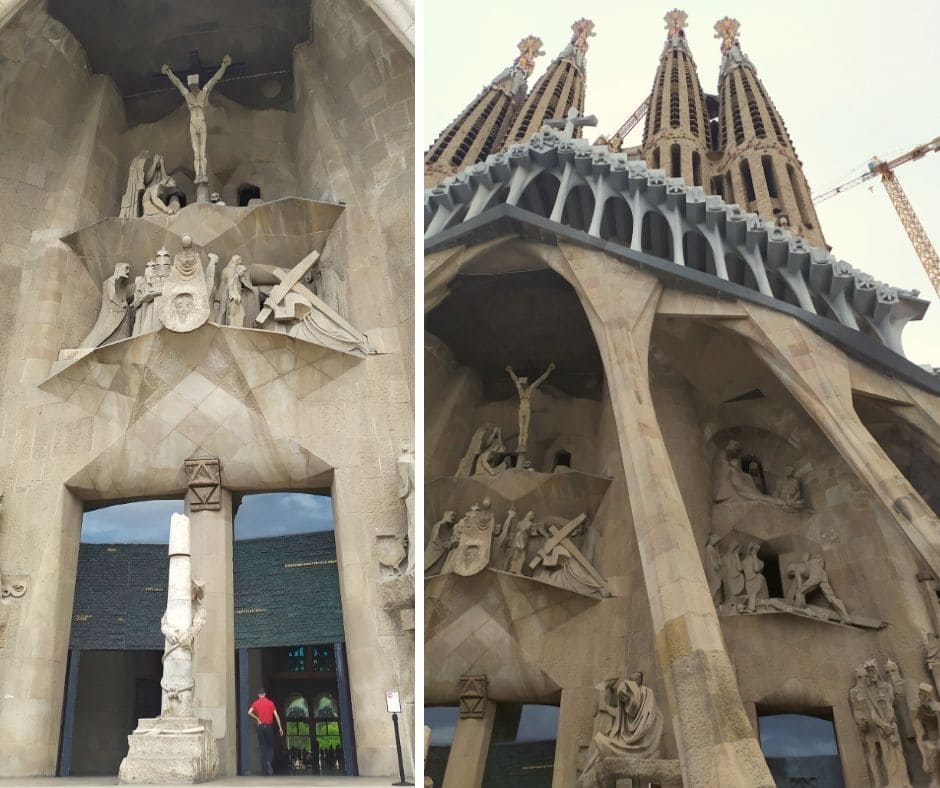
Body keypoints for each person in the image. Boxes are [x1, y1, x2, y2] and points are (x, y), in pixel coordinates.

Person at [248, 688, 283, 776]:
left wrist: (257, 719)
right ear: (265, 694)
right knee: (270, 747)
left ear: (258, 695)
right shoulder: (270, 703)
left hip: (260, 727)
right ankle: (268, 761)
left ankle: (264, 771)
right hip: (269, 727)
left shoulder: (256, 703)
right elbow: (276, 716)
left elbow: (249, 712)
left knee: (262, 748)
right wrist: (280, 727)